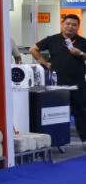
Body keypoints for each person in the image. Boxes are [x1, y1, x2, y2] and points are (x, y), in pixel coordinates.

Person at [30, 14, 86, 147]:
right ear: (62, 25)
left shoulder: (82, 42)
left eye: (74, 25)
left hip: (78, 82)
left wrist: (80, 53)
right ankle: (57, 139)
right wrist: (45, 63)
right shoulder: (52, 39)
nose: (70, 27)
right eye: (68, 24)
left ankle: (84, 139)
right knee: (57, 111)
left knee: (80, 111)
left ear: (78, 27)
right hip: (57, 82)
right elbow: (33, 49)